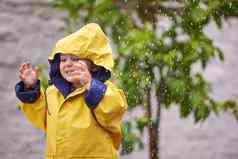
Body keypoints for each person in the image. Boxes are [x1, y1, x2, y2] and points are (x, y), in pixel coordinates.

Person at [15, 23, 127, 159]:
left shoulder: (105, 90)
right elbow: (42, 119)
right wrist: (31, 89)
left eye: (75, 59)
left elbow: (113, 112)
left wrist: (90, 85)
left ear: (94, 65)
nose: (68, 63)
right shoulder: (53, 93)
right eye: (63, 59)